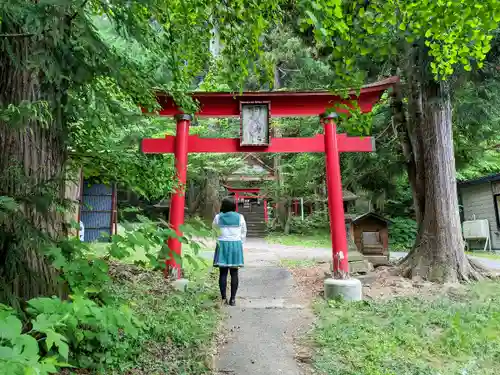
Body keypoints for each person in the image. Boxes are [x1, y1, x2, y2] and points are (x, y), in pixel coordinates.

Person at [213, 197, 247, 306]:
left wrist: (220, 238)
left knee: (223, 273)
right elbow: (243, 231)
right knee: (234, 273)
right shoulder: (240, 217)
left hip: (222, 244)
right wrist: (240, 242)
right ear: (234, 206)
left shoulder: (218, 217)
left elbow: (214, 230)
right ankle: (233, 299)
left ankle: (223, 298)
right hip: (235, 245)